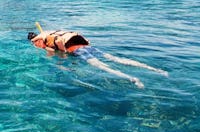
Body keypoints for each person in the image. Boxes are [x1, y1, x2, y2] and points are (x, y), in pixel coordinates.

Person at [28, 29, 168, 89]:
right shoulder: (48, 32)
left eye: (34, 43)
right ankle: (156, 69)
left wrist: (63, 56)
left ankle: (131, 78)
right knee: (115, 59)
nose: (35, 45)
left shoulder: (40, 42)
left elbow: (57, 45)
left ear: (35, 40)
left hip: (77, 50)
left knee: (102, 66)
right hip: (85, 45)